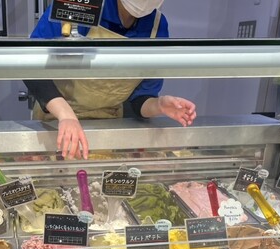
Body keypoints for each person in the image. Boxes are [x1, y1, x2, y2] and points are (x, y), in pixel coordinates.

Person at [24, 0, 197, 160]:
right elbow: (30, 64)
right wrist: (65, 115)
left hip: (108, 126)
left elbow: (139, 100)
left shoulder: (156, 26)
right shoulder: (80, 5)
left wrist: (158, 105)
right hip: (55, 121)